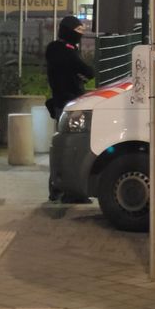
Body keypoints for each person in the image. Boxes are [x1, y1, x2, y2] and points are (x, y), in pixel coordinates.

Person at [46, 16, 95, 203]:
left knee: (62, 148)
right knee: (70, 148)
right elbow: (88, 71)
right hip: (70, 105)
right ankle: (68, 190)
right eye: (78, 32)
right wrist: (80, 76)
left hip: (62, 103)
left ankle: (57, 188)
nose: (80, 37)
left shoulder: (54, 49)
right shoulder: (65, 51)